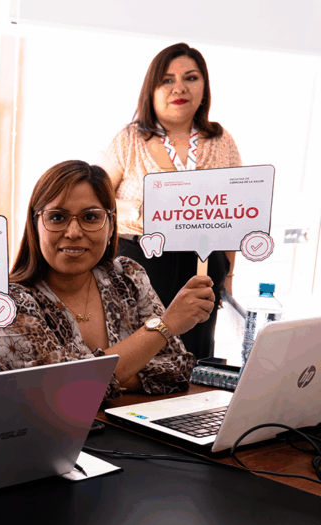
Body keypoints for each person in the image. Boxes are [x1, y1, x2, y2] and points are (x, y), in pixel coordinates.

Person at [0, 160, 207, 400]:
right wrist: (165, 326)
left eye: (90, 217)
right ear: (35, 226)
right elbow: (64, 392)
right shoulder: (6, 304)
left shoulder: (128, 277)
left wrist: (98, 380)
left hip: (126, 427)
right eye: (57, 217)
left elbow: (179, 370)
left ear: (110, 227)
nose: (74, 232)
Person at [101, 42, 241, 360]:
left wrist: (229, 277)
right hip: (138, 265)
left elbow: (233, 217)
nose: (179, 87)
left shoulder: (222, 141)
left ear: (204, 89)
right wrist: (141, 209)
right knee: (139, 359)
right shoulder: (129, 140)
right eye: (167, 80)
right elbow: (95, 198)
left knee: (194, 363)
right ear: (151, 89)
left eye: (190, 78)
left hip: (203, 266)